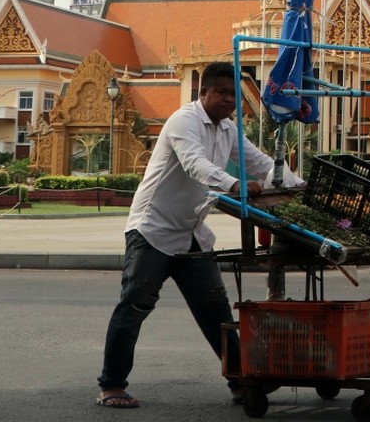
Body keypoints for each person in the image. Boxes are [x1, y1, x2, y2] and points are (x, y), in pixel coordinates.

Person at [96, 61, 303, 409]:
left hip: (191, 231)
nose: (228, 100)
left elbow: (261, 163)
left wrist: (299, 186)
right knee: (134, 306)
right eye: (221, 92)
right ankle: (112, 384)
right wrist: (235, 184)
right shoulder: (183, 121)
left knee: (215, 309)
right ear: (202, 92)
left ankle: (240, 380)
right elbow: (196, 164)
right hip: (153, 230)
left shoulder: (227, 130)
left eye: (233, 94)